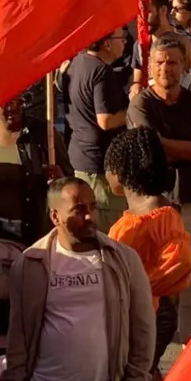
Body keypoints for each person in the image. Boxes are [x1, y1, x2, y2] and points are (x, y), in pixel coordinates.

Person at [3, 178, 155, 381]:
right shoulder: (30, 263)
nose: (89, 216)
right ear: (55, 216)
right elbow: (18, 334)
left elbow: (144, 328)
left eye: (92, 207)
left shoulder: (124, 260)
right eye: (78, 210)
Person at [127, 33, 191, 344]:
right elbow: (146, 151)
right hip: (154, 206)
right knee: (153, 280)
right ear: (150, 67)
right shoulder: (141, 104)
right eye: (160, 62)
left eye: (173, 62)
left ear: (184, 66)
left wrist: (162, 144)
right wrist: (183, 147)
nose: (167, 68)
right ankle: (149, 350)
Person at [104, 128, 191, 381]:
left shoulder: (160, 214)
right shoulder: (139, 215)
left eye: (108, 167)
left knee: (136, 378)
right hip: (136, 312)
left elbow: (182, 259)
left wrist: (140, 286)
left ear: (120, 171)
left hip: (151, 314)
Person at [0, 94, 68, 245]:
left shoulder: (44, 135)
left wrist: (60, 181)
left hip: (34, 238)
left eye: (17, 100)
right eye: (5, 103)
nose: (12, 107)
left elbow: (70, 182)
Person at [63, 28, 129, 232]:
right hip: (100, 166)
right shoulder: (102, 71)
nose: (125, 42)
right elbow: (106, 120)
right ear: (107, 44)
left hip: (81, 157)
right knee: (111, 230)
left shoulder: (77, 63)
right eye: (121, 38)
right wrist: (133, 110)